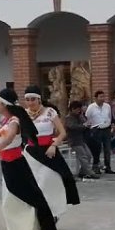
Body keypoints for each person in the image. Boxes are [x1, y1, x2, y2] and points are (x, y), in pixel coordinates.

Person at [0, 88, 60, 230]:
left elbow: (9, 138)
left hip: (16, 164)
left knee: (21, 201)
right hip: (6, 164)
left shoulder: (14, 120)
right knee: (11, 204)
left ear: (4, 104)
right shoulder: (3, 120)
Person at [23, 85, 81, 214]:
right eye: (27, 100)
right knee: (33, 184)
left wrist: (54, 145)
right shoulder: (23, 114)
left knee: (53, 180)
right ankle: (36, 213)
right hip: (31, 152)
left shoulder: (50, 112)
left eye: (33, 99)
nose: (30, 102)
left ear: (39, 99)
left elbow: (62, 132)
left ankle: (54, 211)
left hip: (49, 151)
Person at [64, 100, 98, 180]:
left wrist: (85, 122)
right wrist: (83, 126)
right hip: (74, 140)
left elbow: (84, 123)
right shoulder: (69, 118)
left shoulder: (79, 116)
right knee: (83, 156)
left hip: (81, 140)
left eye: (80, 109)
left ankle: (83, 171)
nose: (79, 111)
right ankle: (89, 172)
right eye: (77, 109)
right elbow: (72, 126)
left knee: (88, 155)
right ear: (72, 109)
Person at [85, 90, 114, 174]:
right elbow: (87, 117)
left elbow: (109, 117)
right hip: (96, 129)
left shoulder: (107, 106)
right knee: (97, 149)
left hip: (106, 129)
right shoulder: (91, 107)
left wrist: (110, 126)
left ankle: (107, 167)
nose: (102, 98)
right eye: (100, 97)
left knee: (107, 149)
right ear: (96, 98)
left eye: (103, 96)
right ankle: (96, 166)